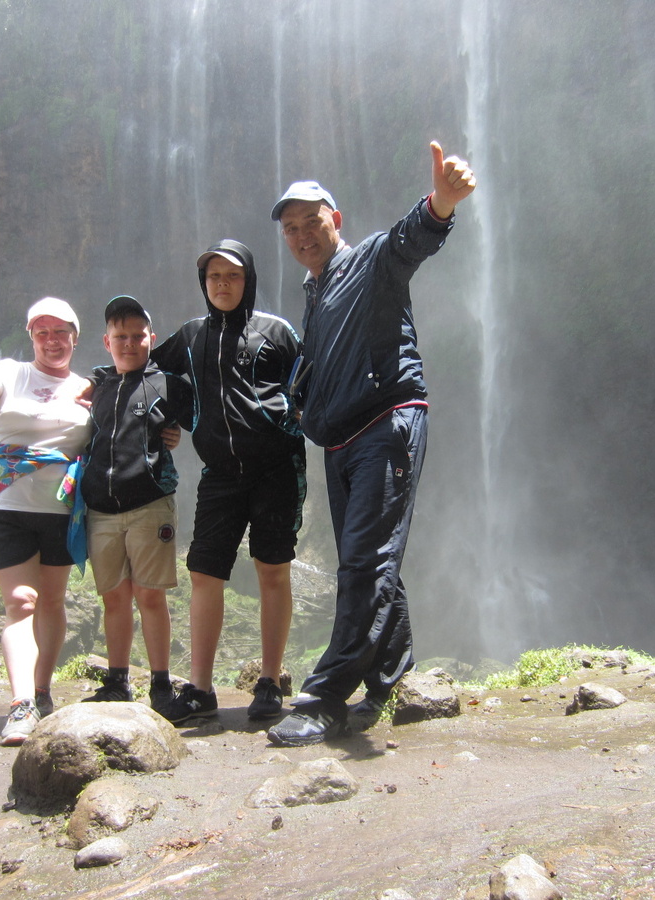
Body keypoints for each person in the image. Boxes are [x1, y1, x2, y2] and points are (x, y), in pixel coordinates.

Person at [265, 141, 477, 747]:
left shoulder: (371, 261)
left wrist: (442, 201)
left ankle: (326, 695)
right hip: (340, 442)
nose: (303, 234)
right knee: (370, 556)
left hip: (386, 424)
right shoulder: (315, 292)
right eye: (291, 229)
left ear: (337, 221)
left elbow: (414, 237)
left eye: (312, 222)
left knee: (366, 559)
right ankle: (392, 677)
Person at [152, 240, 306, 725]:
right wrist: (167, 417)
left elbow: (311, 379)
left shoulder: (276, 331)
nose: (223, 284)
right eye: (214, 276)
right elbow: (151, 373)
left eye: (233, 276)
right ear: (204, 284)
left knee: (273, 568)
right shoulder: (192, 334)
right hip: (220, 476)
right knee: (205, 573)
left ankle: (270, 680)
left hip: (276, 470)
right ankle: (200, 688)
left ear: (249, 280)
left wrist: (288, 416)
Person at [0, 282, 92, 746]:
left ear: (75, 336)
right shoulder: (9, 374)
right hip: (7, 506)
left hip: (61, 512)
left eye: (60, 332)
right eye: (41, 332)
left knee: (52, 603)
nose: (51, 340)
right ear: (31, 337)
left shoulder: (87, 388)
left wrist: (167, 433)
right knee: (22, 603)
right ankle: (21, 703)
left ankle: (42, 689)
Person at [77, 296, 194, 716]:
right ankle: (117, 681)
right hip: (101, 510)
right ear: (106, 341)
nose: (128, 343)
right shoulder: (98, 386)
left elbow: (202, 414)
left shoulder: (167, 384)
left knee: (149, 596)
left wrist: (178, 429)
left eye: (137, 336)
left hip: (150, 505)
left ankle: (161, 687)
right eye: (120, 336)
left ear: (152, 339)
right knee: (114, 598)